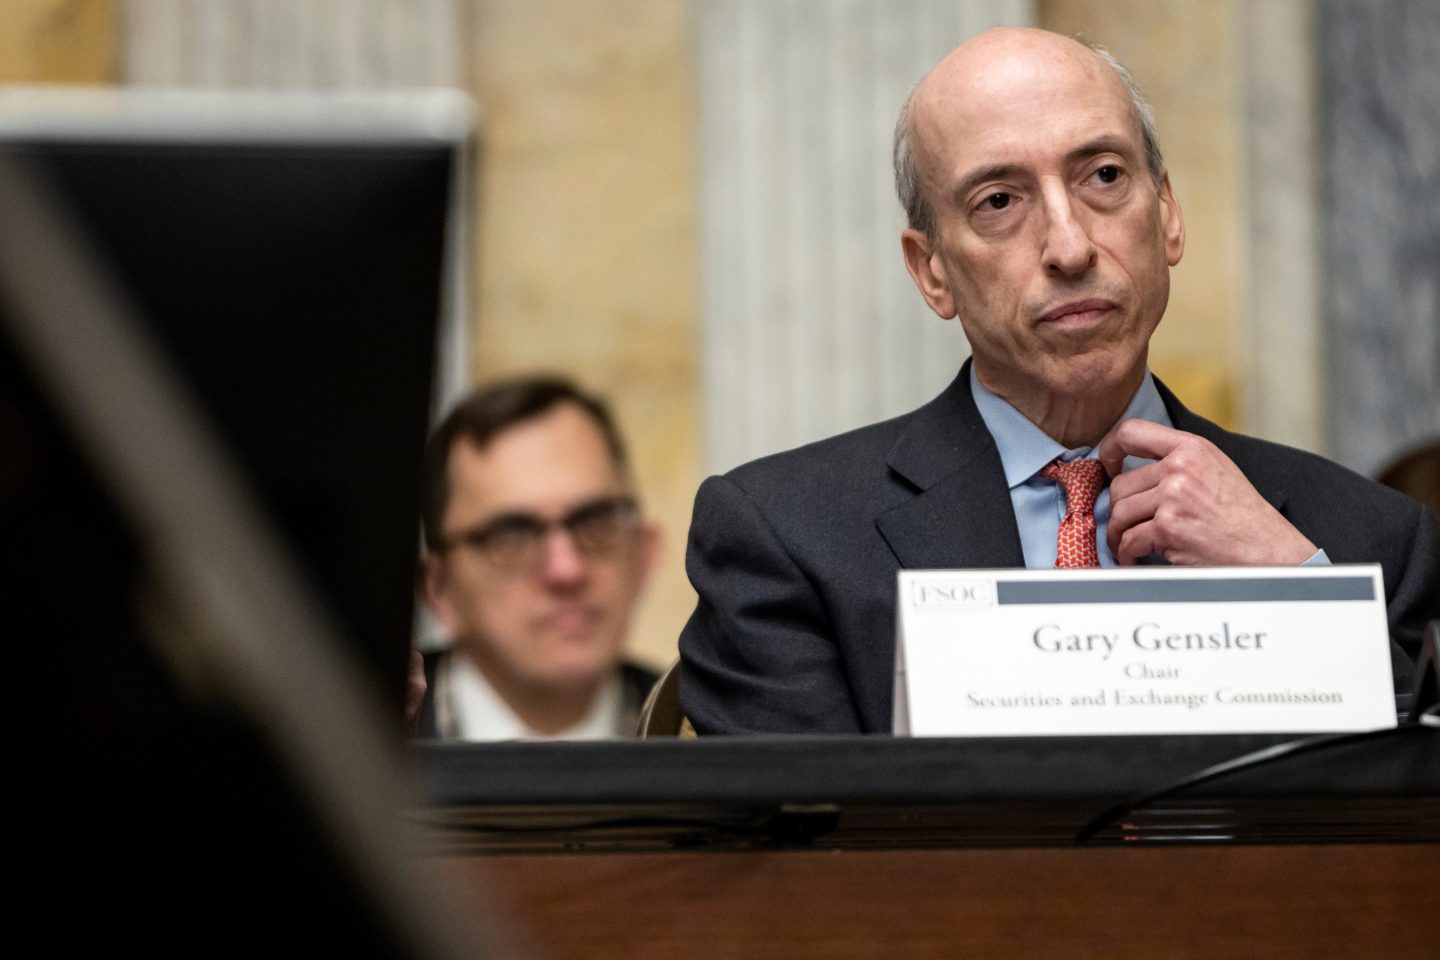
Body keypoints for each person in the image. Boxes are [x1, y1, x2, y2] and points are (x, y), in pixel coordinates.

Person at [678, 27, 1440, 734]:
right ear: (932, 269)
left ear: (1168, 214)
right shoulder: (790, 538)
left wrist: (1298, 588)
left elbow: (1403, 848)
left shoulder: (1367, 539)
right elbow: (803, 867)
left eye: (1103, 176)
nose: (1070, 246)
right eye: (1000, 202)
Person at [413, 376, 661, 739]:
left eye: (594, 522)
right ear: (439, 589)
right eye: (511, 536)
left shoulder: (706, 737)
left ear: (644, 553)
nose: (567, 570)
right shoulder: (360, 739)